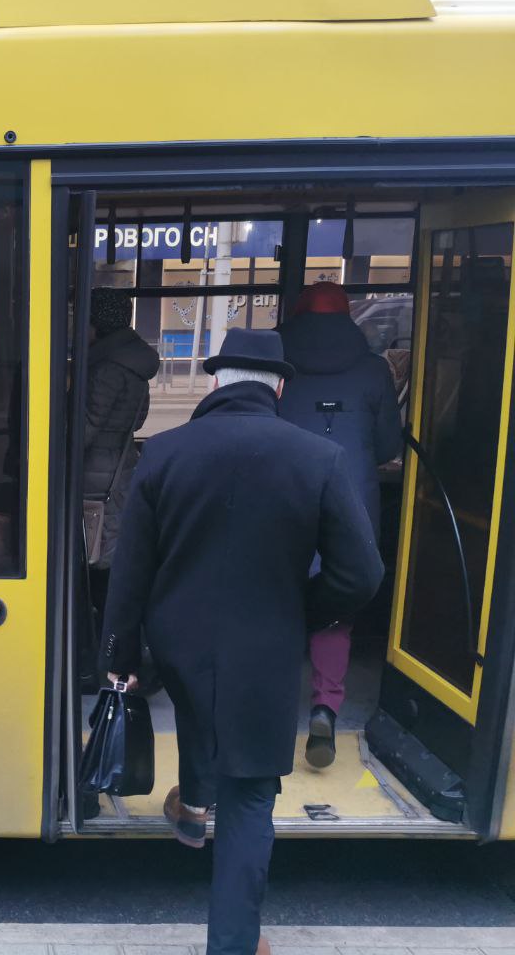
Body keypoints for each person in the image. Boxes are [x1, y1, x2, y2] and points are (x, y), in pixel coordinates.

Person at [102, 328, 384, 955]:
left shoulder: (165, 454)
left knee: (203, 717)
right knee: (253, 794)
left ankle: (192, 808)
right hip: (264, 647)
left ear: (214, 382)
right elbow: (361, 573)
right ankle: (232, 944)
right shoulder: (316, 458)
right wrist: (301, 612)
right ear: (279, 386)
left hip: (177, 640)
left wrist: (118, 658)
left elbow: (131, 572)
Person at [278, 282, 401, 768]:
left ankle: (270, 706)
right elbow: (389, 446)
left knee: (278, 603)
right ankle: (325, 707)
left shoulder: (277, 369)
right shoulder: (375, 370)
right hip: (352, 507)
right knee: (335, 609)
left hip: (284, 501)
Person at [79, 288, 160, 690]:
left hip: (94, 481)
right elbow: (138, 417)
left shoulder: (106, 368)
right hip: (119, 472)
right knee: (109, 570)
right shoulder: (133, 365)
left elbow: (85, 430)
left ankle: (117, 662)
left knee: (99, 575)